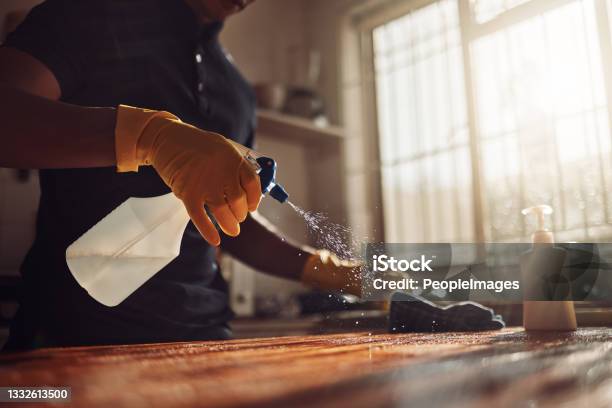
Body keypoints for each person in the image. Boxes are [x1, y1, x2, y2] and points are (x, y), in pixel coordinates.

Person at [0, 0, 360, 349]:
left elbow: (230, 222)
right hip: (72, 333)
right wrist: (147, 137)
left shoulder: (237, 92)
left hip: (203, 336)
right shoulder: (86, 15)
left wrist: (327, 269)